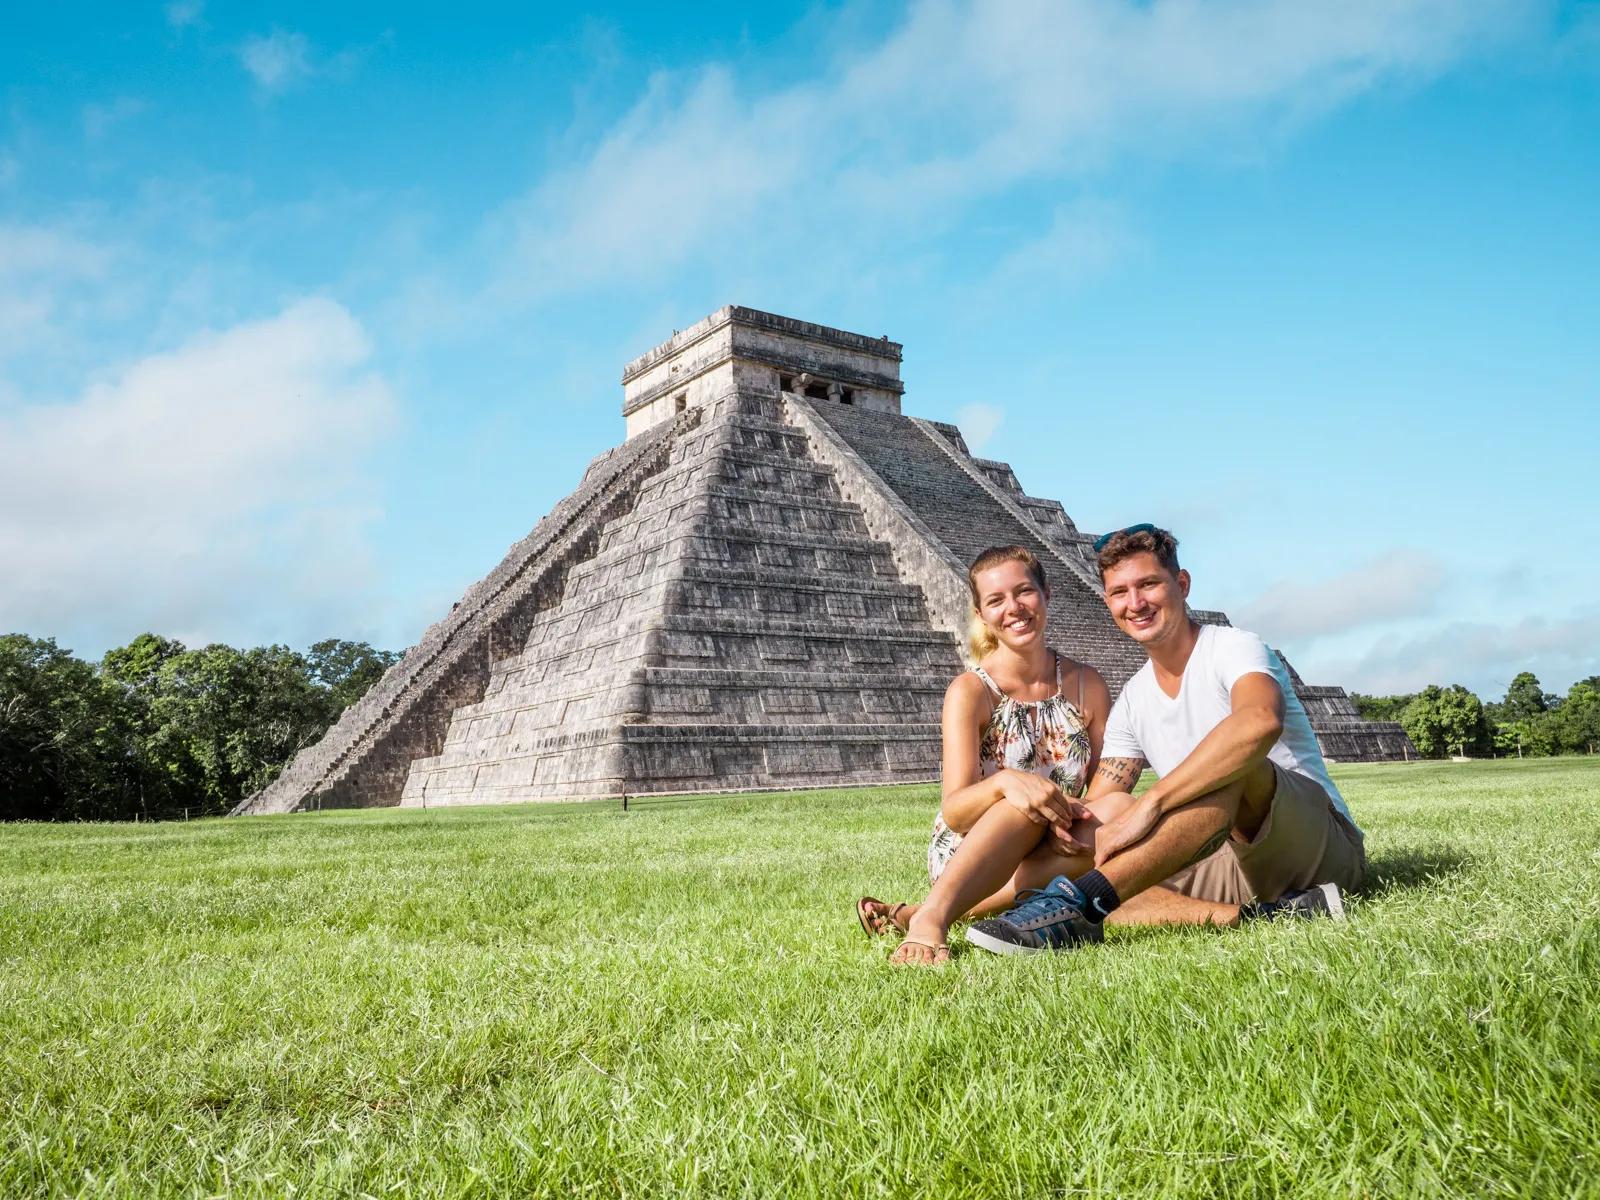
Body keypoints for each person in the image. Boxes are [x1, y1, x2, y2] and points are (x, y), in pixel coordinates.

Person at [958, 524, 1365, 957]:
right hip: (1222, 858)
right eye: (1119, 592)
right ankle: (1273, 914)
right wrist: (943, 907)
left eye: (1148, 584)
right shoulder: (1133, 699)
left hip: (1315, 846)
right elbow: (1100, 816)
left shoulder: (1233, 648)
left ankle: (1075, 903)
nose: (1135, 603)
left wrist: (1152, 803)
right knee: (1111, 856)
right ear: (1107, 602)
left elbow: (1258, 722)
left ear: (1182, 584)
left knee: (1232, 770)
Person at [857, 544, 1241, 967]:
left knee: (1119, 805)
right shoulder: (970, 692)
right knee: (1022, 806)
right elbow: (956, 813)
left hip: (1061, 843)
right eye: (996, 600)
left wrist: (1067, 816)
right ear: (982, 614)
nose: (1014, 608)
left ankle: (967, 909)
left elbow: (1103, 797)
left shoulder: (1086, 684)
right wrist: (1007, 783)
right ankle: (932, 915)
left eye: (1024, 592)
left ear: (1046, 594)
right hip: (975, 857)